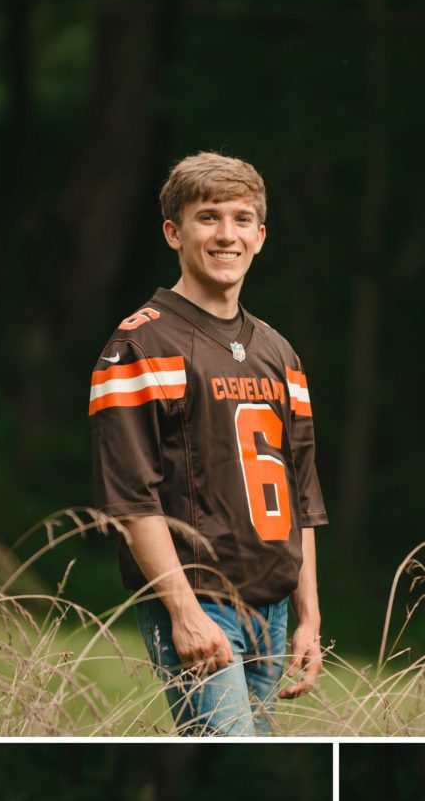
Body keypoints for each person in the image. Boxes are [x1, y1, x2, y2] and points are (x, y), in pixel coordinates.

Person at [90, 150, 326, 737]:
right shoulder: (139, 346)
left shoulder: (279, 352)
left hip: (272, 605)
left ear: (261, 235)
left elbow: (300, 493)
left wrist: (309, 615)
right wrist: (184, 611)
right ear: (174, 231)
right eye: (208, 217)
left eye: (242, 219)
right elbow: (131, 499)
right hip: (201, 598)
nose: (228, 234)